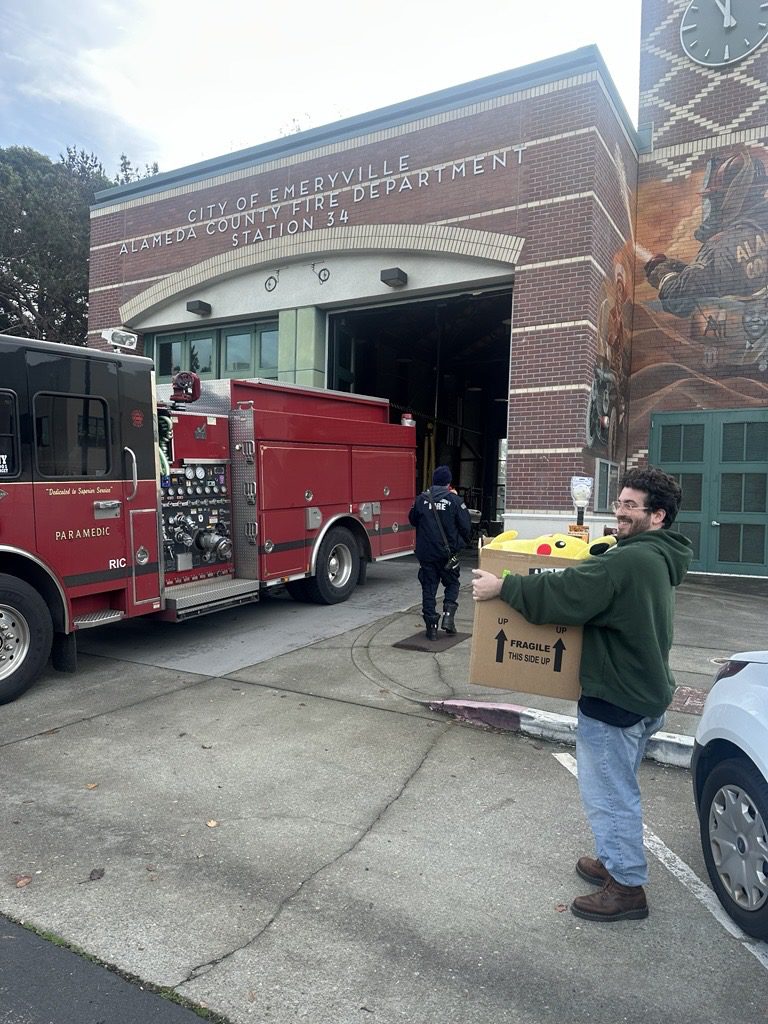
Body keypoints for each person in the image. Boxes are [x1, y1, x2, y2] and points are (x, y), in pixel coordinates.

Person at [471, 467, 693, 923]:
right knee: (618, 786)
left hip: (615, 698)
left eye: (632, 506)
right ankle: (614, 860)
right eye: (620, 502)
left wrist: (504, 586)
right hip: (644, 692)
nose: (620, 511)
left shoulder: (626, 560)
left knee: (610, 796)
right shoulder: (658, 556)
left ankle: (627, 887)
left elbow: (565, 593)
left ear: (658, 516)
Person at [409, 466, 472, 640]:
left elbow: (412, 519)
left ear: (434, 481)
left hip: (427, 555)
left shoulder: (421, 499)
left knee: (429, 588)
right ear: (449, 483)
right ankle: (448, 617)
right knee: (452, 583)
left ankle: (432, 628)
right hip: (448, 555)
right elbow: (466, 527)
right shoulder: (455, 500)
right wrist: (458, 545)